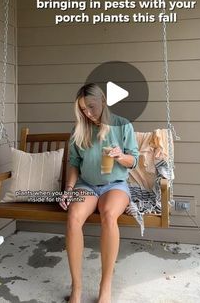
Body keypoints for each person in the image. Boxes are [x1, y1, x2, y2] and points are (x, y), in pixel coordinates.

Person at [59, 83, 139, 303]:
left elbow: (133, 160)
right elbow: (74, 163)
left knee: (109, 215)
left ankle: (105, 287)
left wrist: (119, 156)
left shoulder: (122, 125)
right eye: (83, 109)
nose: (88, 113)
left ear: (103, 101)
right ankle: (76, 288)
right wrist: (69, 189)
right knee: (73, 218)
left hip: (115, 185)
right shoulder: (79, 130)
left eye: (91, 107)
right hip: (86, 185)